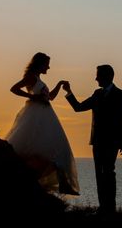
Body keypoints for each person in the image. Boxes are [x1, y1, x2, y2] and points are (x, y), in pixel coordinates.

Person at [5, 52, 80, 195]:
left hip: (46, 115)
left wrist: (59, 84)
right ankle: (48, 183)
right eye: (47, 64)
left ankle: (62, 183)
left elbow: (50, 97)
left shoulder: (38, 79)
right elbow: (14, 88)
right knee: (39, 149)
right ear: (40, 64)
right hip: (36, 115)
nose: (49, 67)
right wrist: (32, 96)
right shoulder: (31, 77)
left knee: (58, 147)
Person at [64, 64, 122, 215]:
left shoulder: (120, 94)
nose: (95, 79)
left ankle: (110, 208)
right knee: (99, 174)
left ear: (107, 76)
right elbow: (79, 107)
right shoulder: (97, 94)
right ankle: (103, 207)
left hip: (112, 141)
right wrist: (68, 92)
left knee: (108, 172)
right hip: (98, 141)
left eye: (98, 76)